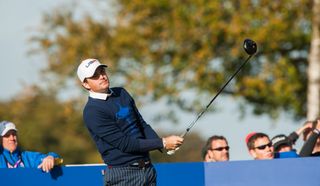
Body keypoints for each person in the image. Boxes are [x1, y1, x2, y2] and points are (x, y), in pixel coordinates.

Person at [76, 58, 184, 186]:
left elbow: (141, 124)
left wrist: (162, 145)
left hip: (148, 169)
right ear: (86, 84)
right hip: (123, 175)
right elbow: (125, 144)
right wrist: (163, 143)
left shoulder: (121, 93)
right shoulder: (92, 111)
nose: (102, 76)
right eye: (95, 76)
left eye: (102, 71)